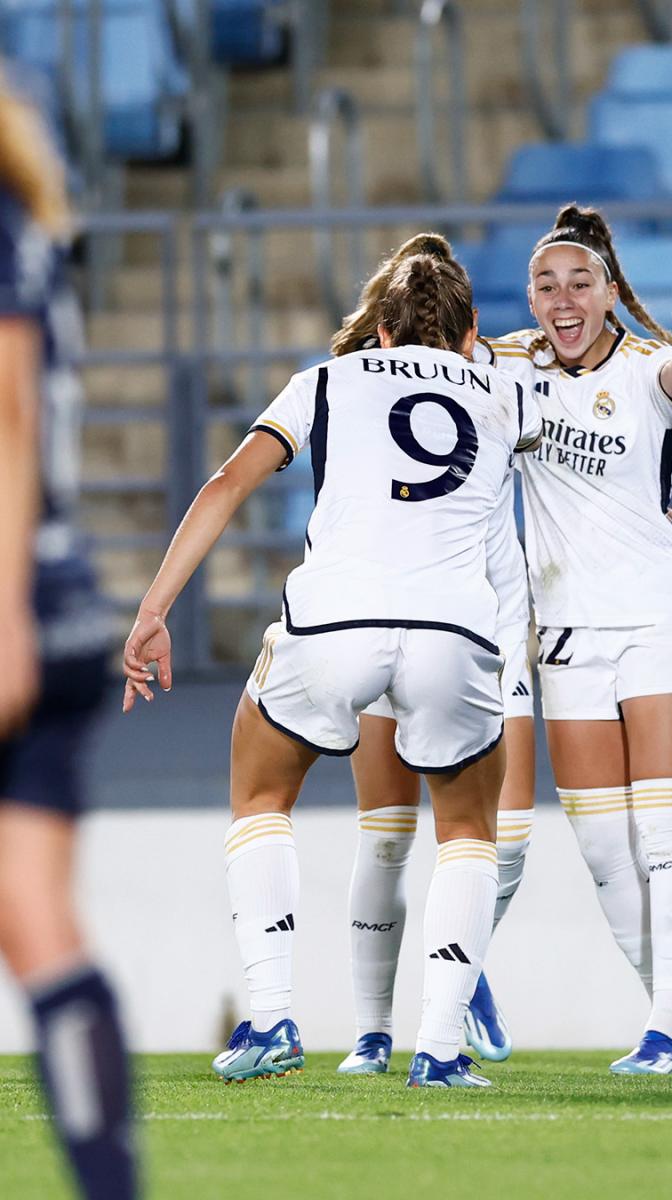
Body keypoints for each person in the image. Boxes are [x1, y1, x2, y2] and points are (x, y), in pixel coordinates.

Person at [121, 249, 542, 1089]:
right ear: (470, 337)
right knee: (466, 829)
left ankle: (274, 1016)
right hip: (455, 631)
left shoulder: (327, 380)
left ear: (379, 330)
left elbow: (226, 483)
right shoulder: (505, 395)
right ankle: (441, 1048)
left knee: (261, 793)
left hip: (334, 620)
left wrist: (154, 609)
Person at [479, 204, 672, 1076]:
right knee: (605, 851)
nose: (562, 300)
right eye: (545, 284)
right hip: (565, 635)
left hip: (659, 618)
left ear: (609, 294)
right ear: (530, 295)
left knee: (667, 835)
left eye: (579, 283)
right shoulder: (511, 366)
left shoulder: (645, 370)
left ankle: (666, 1030)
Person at [325, 235, 536, 1076]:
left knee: (501, 841)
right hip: (431, 620)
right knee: (397, 837)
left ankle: (461, 969)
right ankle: (380, 1032)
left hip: (485, 625)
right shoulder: (496, 387)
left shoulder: (493, 382)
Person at [0, 72, 137, 1195]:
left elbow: (5, 421)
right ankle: (107, 1182)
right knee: (36, 918)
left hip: (17, 609)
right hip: (63, 599)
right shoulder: (32, 226)